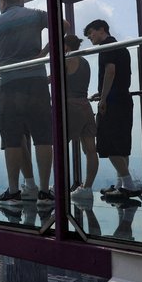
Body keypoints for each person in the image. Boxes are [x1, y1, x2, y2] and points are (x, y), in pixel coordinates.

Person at [0, 0, 69, 206]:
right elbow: (64, 25)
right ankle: (45, 192)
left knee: (11, 138)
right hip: (37, 81)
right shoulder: (36, 15)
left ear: (4, 0)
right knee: (42, 136)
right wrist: (43, 54)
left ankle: (13, 191)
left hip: (9, 85)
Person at [84, 19, 142, 198]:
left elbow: (110, 71)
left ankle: (128, 184)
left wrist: (103, 98)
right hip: (123, 98)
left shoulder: (106, 46)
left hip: (113, 101)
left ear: (101, 29)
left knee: (108, 143)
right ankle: (121, 185)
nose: (90, 38)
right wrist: (101, 92)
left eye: (91, 33)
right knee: (121, 143)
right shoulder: (121, 47)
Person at [63, 34, 99, 201]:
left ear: (65, 46)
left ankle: (58, 186)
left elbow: (52, 79)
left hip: (71, 107)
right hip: (86, 106)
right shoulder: (84, 62)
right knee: (90, 149)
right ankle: (87, 187)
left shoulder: (67, 59)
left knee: (60, 146)